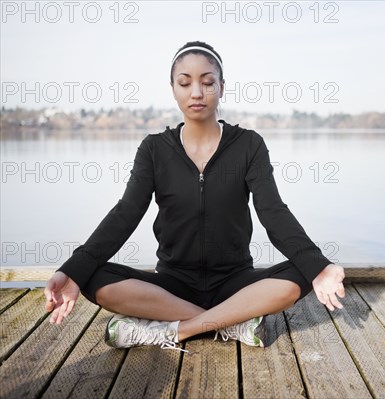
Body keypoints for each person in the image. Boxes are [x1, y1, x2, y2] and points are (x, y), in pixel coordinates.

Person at [43, 41, 345, 351]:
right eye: (185, 83)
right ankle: (233, 323)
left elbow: (274, 213)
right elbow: (125, 214)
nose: (196, 92)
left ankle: (174, 330)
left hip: (235, 283)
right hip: (172, 286)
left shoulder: (248, 145)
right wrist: (72, 270)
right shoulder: (154, 149)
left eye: (208, 82)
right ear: (173, 88)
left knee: (303, 272)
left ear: (222, 87)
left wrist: (318, 267)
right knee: (94, 277)